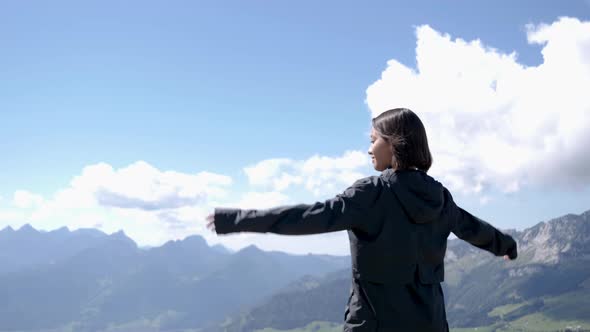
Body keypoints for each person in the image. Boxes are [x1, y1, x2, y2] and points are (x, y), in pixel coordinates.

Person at [205, 108, 518, 332]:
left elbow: (308, 217)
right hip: (430, 322)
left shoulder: (371, 194)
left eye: (373, 139)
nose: (369, 149)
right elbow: (471, 227)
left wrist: (235, 220)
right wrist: (506, 245)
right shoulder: (440, 197)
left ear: (394, 143)